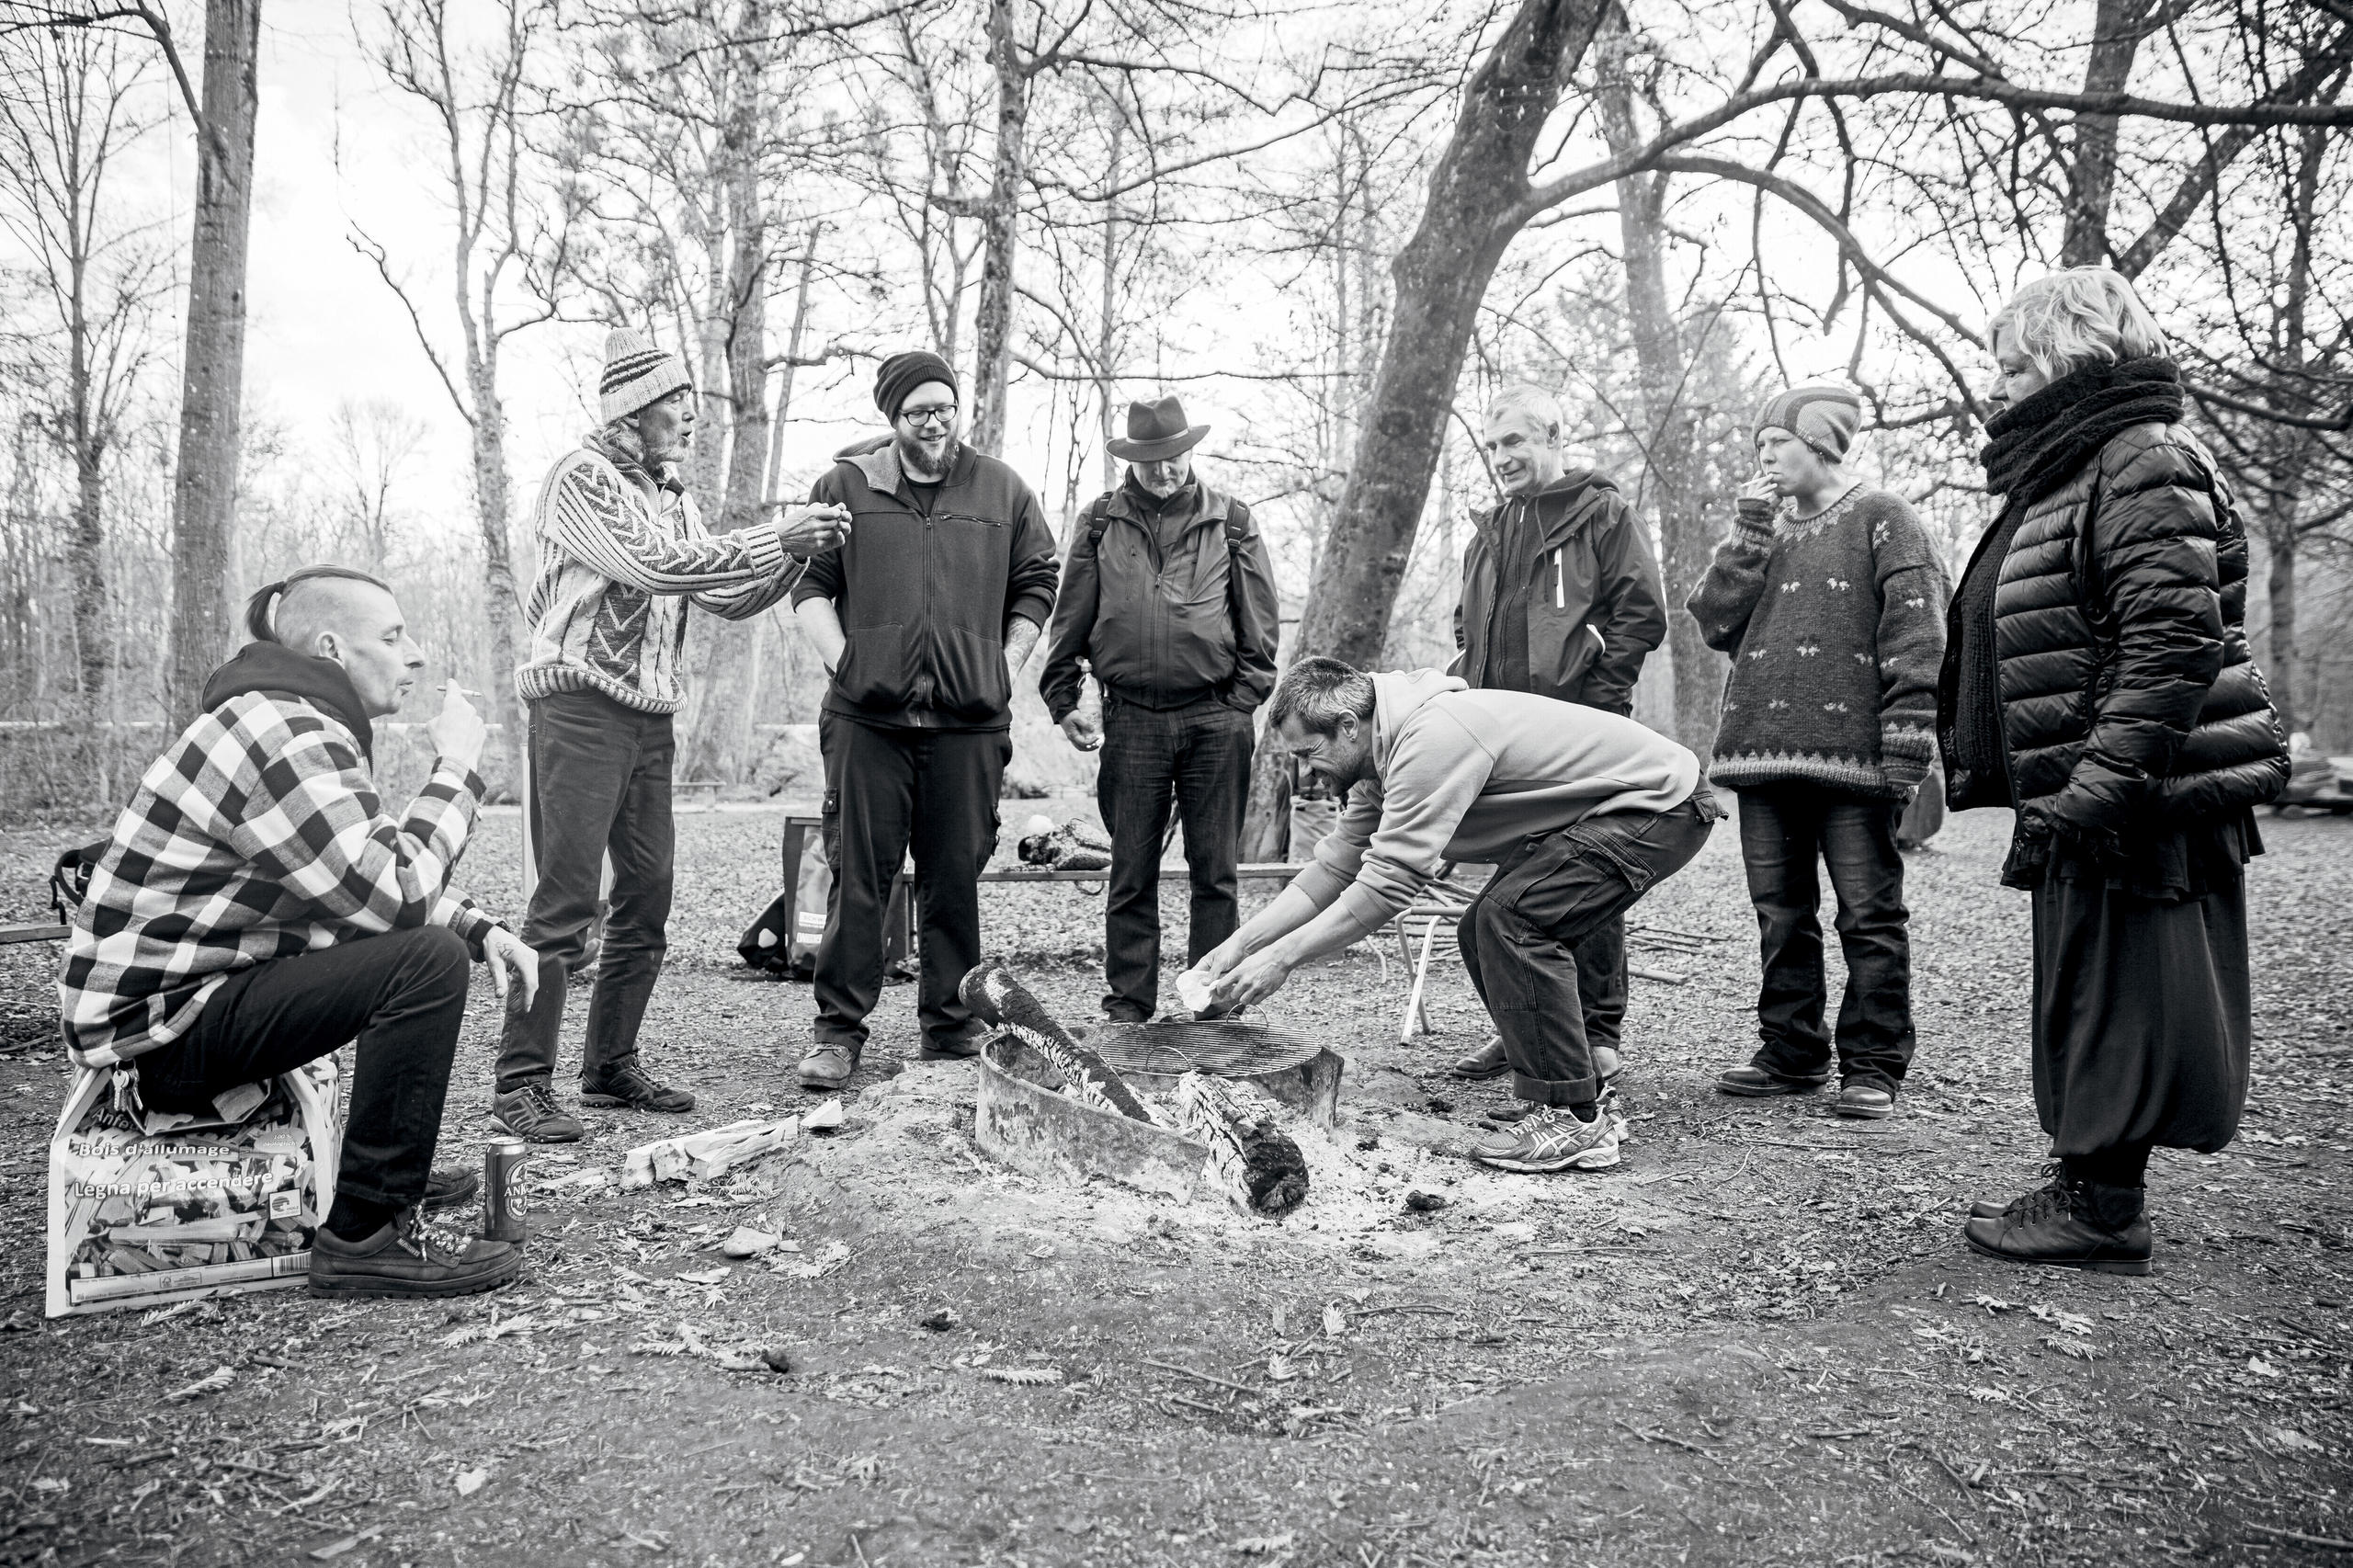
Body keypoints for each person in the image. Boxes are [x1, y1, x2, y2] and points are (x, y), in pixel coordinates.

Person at [59, 567, 540, 1297]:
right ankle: (365, 1236)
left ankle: (370, 1181)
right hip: (156, 1034)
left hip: (184, 1006)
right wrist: (458, 768)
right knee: (424, 963)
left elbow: (343, 875)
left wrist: (482, 927)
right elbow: (396, 893)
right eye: (393, 635)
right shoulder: (283, 732)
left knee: (432, 947)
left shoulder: (284, 719)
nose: (415, 654)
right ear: (332, 648)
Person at [1939, 267, 2287, 1274]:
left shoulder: (2141, 457)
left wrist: (2098, 787)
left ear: (2067, 353)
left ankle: (2101, 1206)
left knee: (2124, 993)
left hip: (2137, 794)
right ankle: (2089, 1185)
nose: (1997, 387)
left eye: (2012, 365)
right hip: (2093, 785)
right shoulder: (2080, 465)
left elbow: (2172, 642)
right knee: (2094, 989)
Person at [492, 328, 841, 1142]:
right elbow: (653, 567)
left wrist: (798, 558)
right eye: (675, 404)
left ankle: (608, 1065)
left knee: (648, 894)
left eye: (688, 403)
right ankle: (519, 1081)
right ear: (633, 412)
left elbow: (720, 596)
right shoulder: (581, 479)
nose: (689, 417)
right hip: (577, 707)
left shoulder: (672, 493)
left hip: (650, 716)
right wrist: (774, 535)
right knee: (565, 899)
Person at [1185, 656, 1718, 1173]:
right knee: (1483, 927)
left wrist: (1283, 959)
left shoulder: (1433, 737)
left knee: (1514, 922)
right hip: (1617, 811)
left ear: (1348, 725)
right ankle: (1572, 1094)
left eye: (1309, 751)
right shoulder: (1377, 762)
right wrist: (1241, 945)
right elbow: (1333, 870)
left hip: (1660, 806)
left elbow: (1388, 885)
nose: (1305, 767)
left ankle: (1573, 1119)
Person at [789, 350, 1060, 1088]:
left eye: (944, 406)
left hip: (968, 722)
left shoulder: (1000, 488)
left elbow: (1038, 578)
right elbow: (810, 583)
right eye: (918, 411)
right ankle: (838, 1034)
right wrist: (844, 659)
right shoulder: (846, 487)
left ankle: (950, 1025)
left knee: (953, 879)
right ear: (892, 418)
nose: (934, 421)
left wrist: (1007, 660)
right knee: (860, 879)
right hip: (866, 721)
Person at [1686, 385, 1950, 1119]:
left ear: (1824, 443)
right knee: (1780, 913)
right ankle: (1792, 1051)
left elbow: (1920, 637)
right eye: (1759, 444)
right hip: (1761, 757)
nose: (1764, 455)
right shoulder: (1762, 530)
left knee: (1869, 914)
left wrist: (1908, 745)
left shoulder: (1885, 518)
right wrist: (1747, 534)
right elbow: (1712, 620)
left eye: (1779, 441)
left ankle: (1874, 1063)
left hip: (1855, 763)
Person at [1447, 383, 1667, 1090]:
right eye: (1491, 445)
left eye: (1514, 441)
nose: (1501, 456)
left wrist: (1598, 702)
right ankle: (1525, 1032)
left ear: (1552, 437)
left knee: (1583, 885)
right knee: (1516, 886)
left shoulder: (1603, 513)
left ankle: (1597, 1036)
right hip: (1502, 740)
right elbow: (1465, 626)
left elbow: (1642, 615)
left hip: (1580, 736)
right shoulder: (1490, 530)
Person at [1038, 395, 1281, 1023]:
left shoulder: (1232, 520)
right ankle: (1127, 1006)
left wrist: (1240, 703)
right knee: (1131, 871)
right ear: (1132, 460)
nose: (1165, 471)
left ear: (1188, 451)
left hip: (1215, 719)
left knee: (1216, 874)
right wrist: (1063, 695)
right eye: (1151, 461)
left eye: (1173, 457)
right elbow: (1071, 619)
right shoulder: (1098, 522)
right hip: (1133, 719)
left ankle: (1212, 1001)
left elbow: (1261, 626)